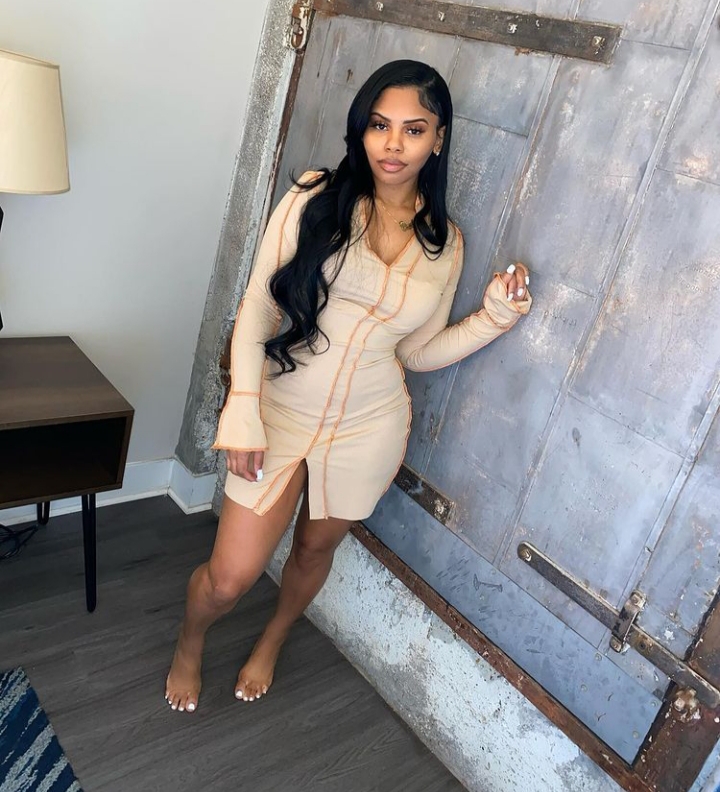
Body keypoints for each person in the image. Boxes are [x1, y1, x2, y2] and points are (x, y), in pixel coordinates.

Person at [165, 59, 532, 713]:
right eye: (378, 125)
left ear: (438, 139)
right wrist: (242, 408)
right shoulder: (315, 197)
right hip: (279, 409)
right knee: (228, 577)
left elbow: (417, 352)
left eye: (413, 129)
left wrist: (494, 318)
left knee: (313, 549)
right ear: (360, 129)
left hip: (369, 426)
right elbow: (259, 305)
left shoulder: (445, 243)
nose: (393, 144)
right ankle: (190, 643)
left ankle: (273, 638)